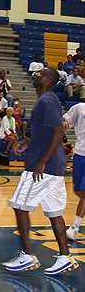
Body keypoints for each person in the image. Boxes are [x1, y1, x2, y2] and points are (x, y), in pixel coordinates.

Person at [2, 67, 79, 276]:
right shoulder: (49, 99)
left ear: (46, 79)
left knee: (20, 207)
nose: (35, 73)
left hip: (42, 167)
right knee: (55, 213)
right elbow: (48, 132)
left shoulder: (46, 100)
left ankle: (27, 255)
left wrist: (42, 161)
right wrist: (28, 141)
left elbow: (59, 131)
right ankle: (64, 256)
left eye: (40, 72)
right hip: (54, 168)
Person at [63, 102, 85, 241]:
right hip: (79, 154)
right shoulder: (79, 108)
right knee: (77, 190)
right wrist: (65, 124)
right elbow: (66, 121)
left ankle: (74, 226)